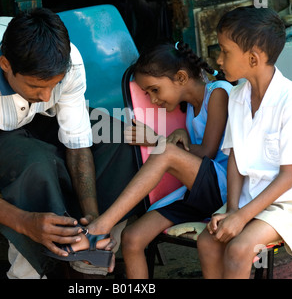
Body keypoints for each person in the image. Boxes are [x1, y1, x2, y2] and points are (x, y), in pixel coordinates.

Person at [0, 7, 141, 278]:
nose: (47, 94)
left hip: (36, 116)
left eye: (55, 84)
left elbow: (77, 142)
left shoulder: (68, 61)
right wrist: (26, 222)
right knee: (37, 165)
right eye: (36, 86)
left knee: (119, 140)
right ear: (6, 66)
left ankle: (87, 250)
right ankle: (30, 272)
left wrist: (92, 219)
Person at [58, 41, 232, 278]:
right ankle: (103, 230)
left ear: (181, 78)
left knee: (166, 153)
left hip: (226, 190)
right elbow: (195, 151)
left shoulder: (218, 92)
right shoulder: (191, 107)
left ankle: (99, 227)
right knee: (132, 238)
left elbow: (208, 152)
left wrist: (158, 141)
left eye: (155, 89)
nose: (152, 99)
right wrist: (179, 137)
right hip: (198, 191)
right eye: (148, 93)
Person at [197, 6, 292, 279]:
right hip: (250, 195)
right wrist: (233, 209)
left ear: (253, 59)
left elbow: (287, 179)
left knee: (238, 249)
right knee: (208, 242)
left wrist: (241, 218)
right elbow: (235, 158)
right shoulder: (236, 96)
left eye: (225, 51)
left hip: (291, 201)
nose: (218, 60)